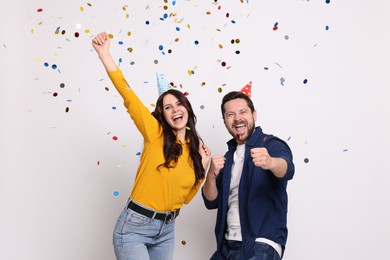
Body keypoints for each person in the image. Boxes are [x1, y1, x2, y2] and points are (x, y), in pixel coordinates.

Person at [92, 32, 211, 260]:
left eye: (178, 104)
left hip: (166, 230)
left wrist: (202, 169)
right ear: (162, 115)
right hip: (134, 228)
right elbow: (129, 96)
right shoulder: (154, 132)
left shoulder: (193, 148)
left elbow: (184, 198)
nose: (175, 109)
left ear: (187, 108)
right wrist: (105, 55)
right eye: (167, 107)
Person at [202, 91, 294, 260]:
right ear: (225, 122)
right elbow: (211, 201)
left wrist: (271, 162)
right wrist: (211, 176)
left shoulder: (270, 144)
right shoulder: (227, 157)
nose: (237, 118)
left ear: (254, 114)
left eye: (242, 112)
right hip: (227, 246)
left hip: (261, 244)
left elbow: (287, 169)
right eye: (230, 114)